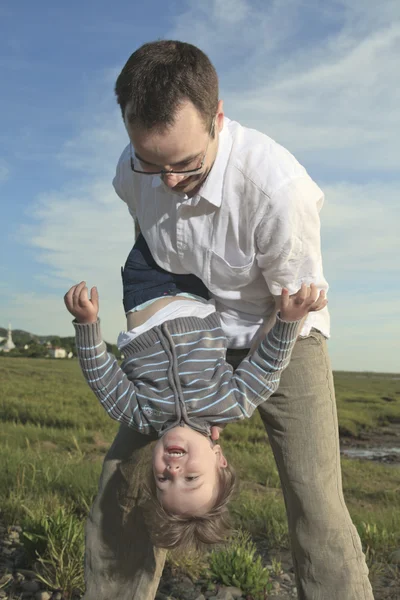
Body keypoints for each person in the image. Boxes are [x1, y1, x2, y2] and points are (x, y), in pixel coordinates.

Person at [81, 40, 374, 600]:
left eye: (186, 164)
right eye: (152, 162)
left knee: (314, 494)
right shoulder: (133, 168)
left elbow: (294, 304)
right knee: (118, 485)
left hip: (277, 330)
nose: (166, 181)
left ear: (218, 118)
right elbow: (149, 241)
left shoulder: (277, 191)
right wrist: (181, 384)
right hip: (189, 334)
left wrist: (217, 404)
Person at [64, 234, 327, 550]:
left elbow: (101, 377)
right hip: (196, 287)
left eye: (163, 480)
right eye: (191, 479)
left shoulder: (139, 415)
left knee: (156, 221)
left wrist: (87, 324)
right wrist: (288, 321)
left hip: (142, 290)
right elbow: (267, 367)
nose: (174, 470)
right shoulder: (231, 405)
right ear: (219, 459)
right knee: (185, 220)